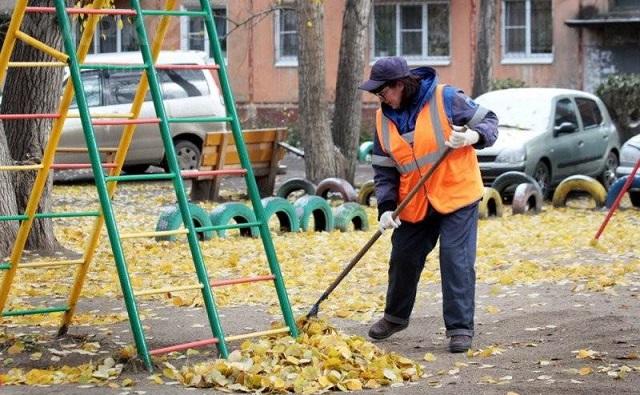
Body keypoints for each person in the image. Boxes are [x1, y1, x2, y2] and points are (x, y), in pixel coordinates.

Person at [358, 56, 498, 353]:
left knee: (454, 258)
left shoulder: (445, 98)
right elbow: (384, 169)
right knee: (403, 256)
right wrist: (385, 206)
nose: (380, 99)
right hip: (415, 200)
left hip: (456, 193)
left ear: (400, 85)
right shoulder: (383, 118)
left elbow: (490, 121)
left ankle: (460, 328)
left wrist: (473, 136)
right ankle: (395, 317)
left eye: (383, 92)